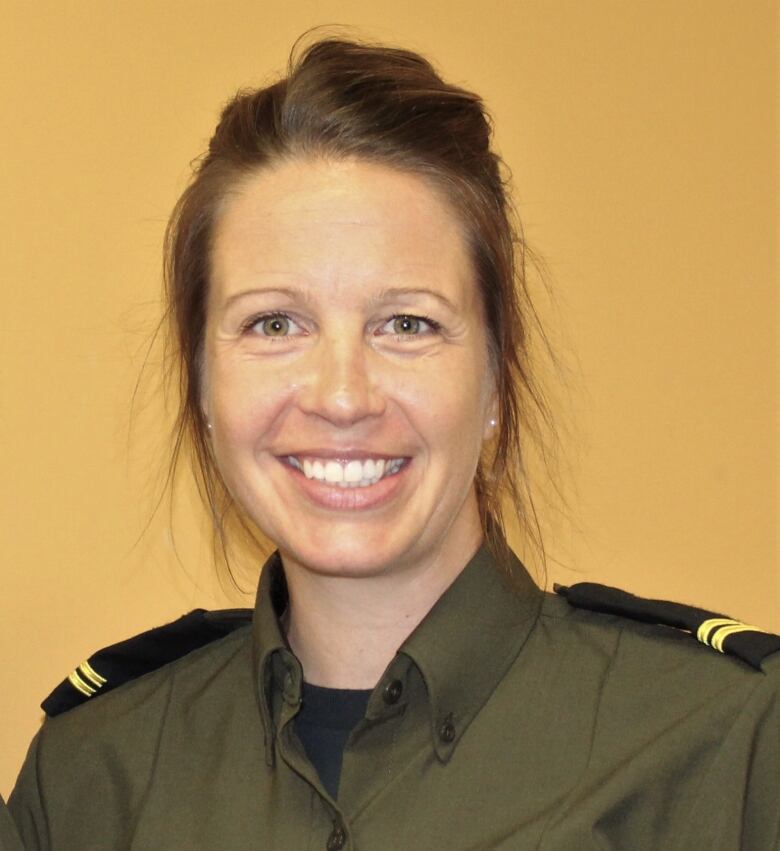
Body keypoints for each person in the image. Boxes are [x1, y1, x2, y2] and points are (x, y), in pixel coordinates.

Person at [8, 35, 780, 850]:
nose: (342, 395)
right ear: (201, 383)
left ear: (493, 378)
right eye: (274, 323)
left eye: (407, 323)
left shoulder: (729, 744)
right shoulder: (90, 779)